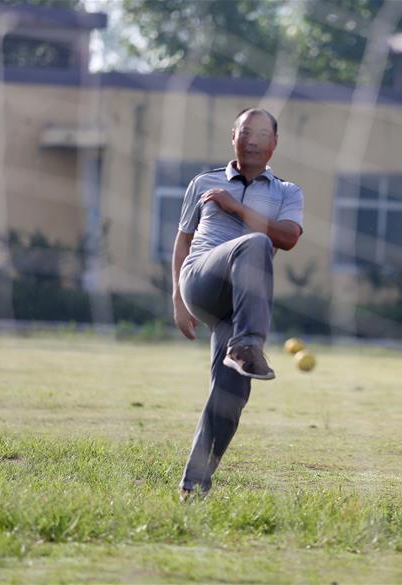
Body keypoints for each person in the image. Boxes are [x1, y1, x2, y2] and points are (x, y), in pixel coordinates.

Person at [171, 108, 304, 498]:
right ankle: (249, 344)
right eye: (246, 131)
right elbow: (183, 240)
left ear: (274, 144)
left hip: (239, 304)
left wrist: (237, 209)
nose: (253, 139)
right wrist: (178, 301)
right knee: (257, 242)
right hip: (201, 280)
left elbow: (290, 237)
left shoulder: (287, 192)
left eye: (262, 133)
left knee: (232, 395)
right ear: (233, 136)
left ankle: (194, 486)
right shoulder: (203, 182)